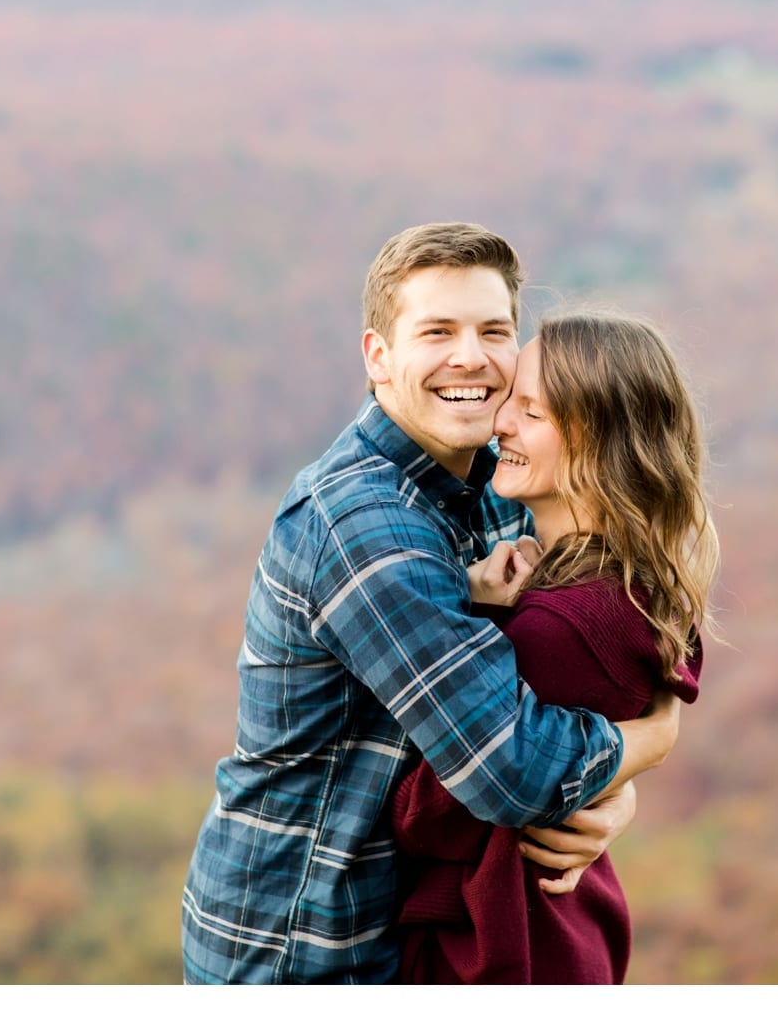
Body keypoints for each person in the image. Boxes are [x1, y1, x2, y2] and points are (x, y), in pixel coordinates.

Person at [180, 224, 683, 984]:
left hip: (400, 928)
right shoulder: (364, 527)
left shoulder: (497, 478)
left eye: (494, 331)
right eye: (438, 331)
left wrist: (615, 799)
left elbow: (569, 663)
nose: (471, 358)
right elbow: (510, 768)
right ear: (378, 357)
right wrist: (651, 740)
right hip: (301, 943)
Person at [392, 311, 721, 985]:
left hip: (510, 959)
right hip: (567, 942)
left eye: (530, 411)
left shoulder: (558, 628)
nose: (500, 424)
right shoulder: (628, 585)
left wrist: (465, 628)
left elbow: (421, 818)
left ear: (598, 443)